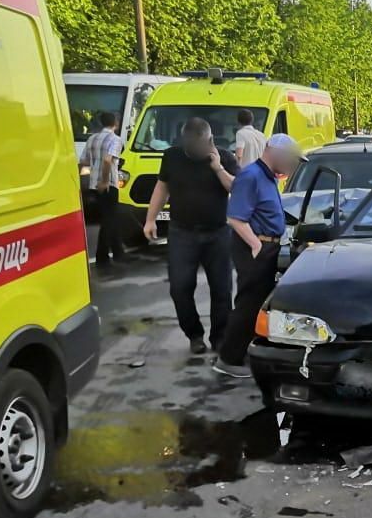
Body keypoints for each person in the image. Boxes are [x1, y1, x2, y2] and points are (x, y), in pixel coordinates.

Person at [144, 118, 239, 354]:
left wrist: (217, 167)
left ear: (210, 141)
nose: (192, 151)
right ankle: (194, 334)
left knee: (221, 289)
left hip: (218, 233)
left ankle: (220, 338)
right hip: (182, 232)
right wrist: (150, 219)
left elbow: (237, 188)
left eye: (197, 147)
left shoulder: (225, 158)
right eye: (188, 147)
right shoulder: (172, 156)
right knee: (179, 287)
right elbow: (162, 187)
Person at [214, 134, 305, 378]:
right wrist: (256, 246)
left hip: (267, 246)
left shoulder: (267, 177)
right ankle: (228, 359)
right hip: (255, 249)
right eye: (290, 159)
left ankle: (243, 351)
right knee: (248, 304)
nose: (291, 165)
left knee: (257, 303)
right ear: (274, 153)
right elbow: (235, 217)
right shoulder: (252, 176)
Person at [80, 111, 125, 266]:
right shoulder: (115, 140)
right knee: (109, 219)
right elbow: (107, 160)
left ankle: (117, 252)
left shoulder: (92, 138)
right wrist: (105, 181)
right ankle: (103, 256)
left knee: (109, 218)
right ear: (116, 123)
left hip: (93, 184)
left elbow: (83, 161)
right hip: (109, 184)